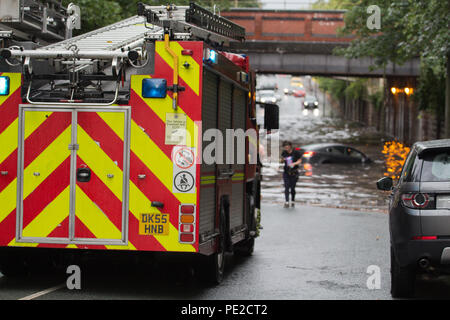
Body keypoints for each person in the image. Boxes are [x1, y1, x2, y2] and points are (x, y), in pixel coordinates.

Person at [281, 141, 302, 208]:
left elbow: (300, 160)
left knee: (292, 188)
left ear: (290, 146)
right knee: (286, 187)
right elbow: (281, 160)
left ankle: (292, 201)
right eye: (285, 146)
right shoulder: (284, 152)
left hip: (294, 172)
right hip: (286, 172)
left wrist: (294, 163)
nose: (286, 147)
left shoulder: (296, 152)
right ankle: (287, 202)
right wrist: (283, 159)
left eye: (287, 146)